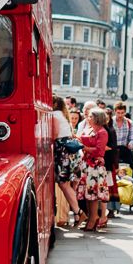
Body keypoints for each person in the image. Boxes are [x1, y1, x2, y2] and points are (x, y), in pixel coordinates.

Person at [51, 96, 85, 225]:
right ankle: (77, 214)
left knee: (63, 184)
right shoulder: (62, 115)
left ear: (54, 104)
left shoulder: (54, 115)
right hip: (69, 152)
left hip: (62, 152)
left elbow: (54, 135)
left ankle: (79, 212)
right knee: (65, 184)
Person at [77, 107, 110, 231]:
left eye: (90, 116)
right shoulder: (89, 129)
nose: (88, 118)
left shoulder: (102, 132)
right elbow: (82, 139)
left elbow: (99, 150)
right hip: (87, 164)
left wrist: (84, 148)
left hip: (95, 166)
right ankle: (92, 217)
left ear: (97, 118)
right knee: (88, 194)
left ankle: (93, 218)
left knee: (93, 194)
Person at [113, 101, 133, 168]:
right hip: (113, 151)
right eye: (118, 113)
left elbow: (132, 138)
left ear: (125, 112)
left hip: (125, 150)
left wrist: (131, 144)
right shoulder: (110, 122)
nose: (120, 115)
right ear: (115, 112)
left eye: (122, 113)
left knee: (127, 173)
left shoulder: (129, 123)